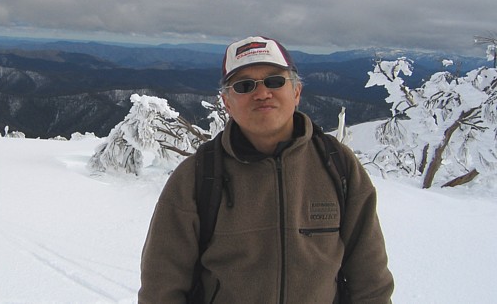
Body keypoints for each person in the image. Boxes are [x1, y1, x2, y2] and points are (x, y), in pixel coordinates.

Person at [139, 36, 393, 303]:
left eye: (275, 81)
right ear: (227, 102)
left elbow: (370, 278)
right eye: (244, 85)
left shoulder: (337, 165)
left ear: (296, 92)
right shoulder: (197, 177)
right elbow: (161, 287)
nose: (261, 93)